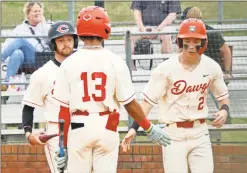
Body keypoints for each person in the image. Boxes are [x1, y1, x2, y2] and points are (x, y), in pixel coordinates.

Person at [52, 6, 171, 173]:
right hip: (107, 126)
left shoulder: (68, 63)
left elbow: (63, 111)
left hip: (79, 128)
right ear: (105, 28)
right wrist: (148, 127)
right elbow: (129, 104)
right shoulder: (115, 61)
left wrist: (62, 146)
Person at [122, 18, 230, 173]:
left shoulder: (211, 67)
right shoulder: (165, 69)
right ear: (179, 41)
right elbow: (147, 103)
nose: (192, 45)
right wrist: (133, 128)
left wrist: (224, 110)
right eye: (187, 40)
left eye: (196, 40)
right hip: (173, 134)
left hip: (200, 131)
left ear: (204, 42)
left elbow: (223, 96)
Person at [22, 21, 78, 173]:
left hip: (82, 126)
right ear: (53, 44)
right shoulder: (42, 74)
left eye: (69, 39)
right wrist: (28, 134)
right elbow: (28, 107)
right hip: (57, 130)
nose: (66, 44)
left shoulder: (83, 67)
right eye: (61, 40)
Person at [1, 1, 50, 85]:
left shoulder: (46, 26)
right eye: (35, 11)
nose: (38, 13)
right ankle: (7, 84)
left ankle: (0, 58)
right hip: (26, 61)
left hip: (41, 58)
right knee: (17, 53)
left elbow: (50, 41)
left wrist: (43, 24)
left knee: (20, 40)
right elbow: (8, 43)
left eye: (39, 11)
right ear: (28, 15)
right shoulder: (20, 29)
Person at [181, 6, 233, 80]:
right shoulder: (185, 32)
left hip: (211, 70)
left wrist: (227, 72)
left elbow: (226, 50)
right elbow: (180, 53)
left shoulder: (211, 32)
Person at [130, 0, 181, 69]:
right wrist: (142, 29)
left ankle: (167, 67)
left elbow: (172, 15)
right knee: (129, 36)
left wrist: (157, 30)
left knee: (166, 35)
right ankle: (131, 69)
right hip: (144, 27)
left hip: (164, 27)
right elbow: (136, 12)